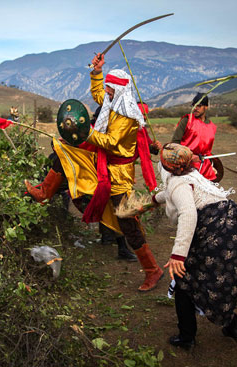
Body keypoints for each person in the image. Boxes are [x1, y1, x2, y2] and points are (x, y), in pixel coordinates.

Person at [25, 53, 163, 291]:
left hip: (118, 174)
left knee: (127, 222)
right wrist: (97, 72)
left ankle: (153, 270)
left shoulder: (127, 116)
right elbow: (99, 95)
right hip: (102, 162)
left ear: (119, 91)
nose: (106, 94)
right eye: (107, 90)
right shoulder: (113, 102)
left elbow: (110, 142)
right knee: (64, 151)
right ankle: (45, 191)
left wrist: (84, 132)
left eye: (110, 90)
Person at [152, 143, 237, 349]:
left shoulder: (178, 184)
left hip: (217, 236)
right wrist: (154, 199)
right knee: (219, 283)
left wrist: (178, 255)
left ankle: (186, 337)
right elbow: (174, 192)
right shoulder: (191, 173)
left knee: (184, 282)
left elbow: (188, 214)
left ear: (166, 167)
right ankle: (230, 323)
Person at [172, 92, 217, 181]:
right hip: (185, 165)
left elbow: (207, 149)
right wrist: (190, 156)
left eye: (198, 106)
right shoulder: (187, 121)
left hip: (205, 166)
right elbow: (175, 144)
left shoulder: (212, 126)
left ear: (206, 107)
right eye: (193, 105)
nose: (195, 108)